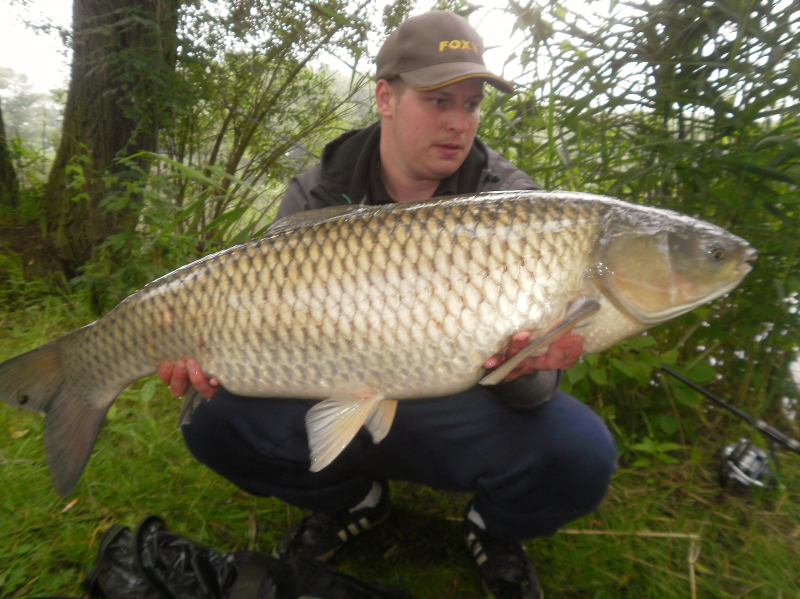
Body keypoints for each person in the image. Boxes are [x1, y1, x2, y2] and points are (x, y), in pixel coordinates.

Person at [158, 11, 617, 599]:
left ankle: (494, 529)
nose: (459, 123)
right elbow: (265, 316)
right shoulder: (318, 191)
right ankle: (351, 500)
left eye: (472, 105)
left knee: (580, 453)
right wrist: (208, 353)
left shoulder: (515, 206)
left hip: (459, 399)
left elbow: (534, 394)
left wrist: (527, 366)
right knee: (210, 418)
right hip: (334, 378)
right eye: (439, 101)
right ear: (385, 98)